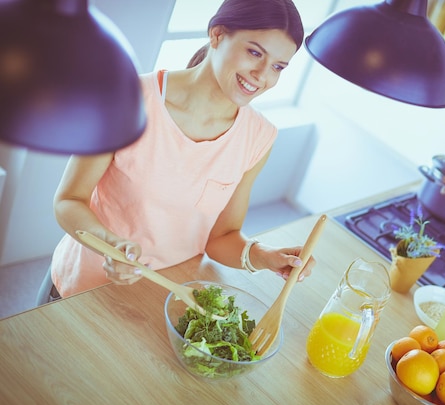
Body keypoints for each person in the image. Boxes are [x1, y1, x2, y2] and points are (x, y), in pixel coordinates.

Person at [49, 0, 314, 298]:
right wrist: (108, 244)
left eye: (278, 66)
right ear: (217, 35)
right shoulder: (126, 100)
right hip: (87, 287)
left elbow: (221, 238)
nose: (262, 75)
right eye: (254, 52)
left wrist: (265, 256)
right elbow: (68, 201)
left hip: (170, 295)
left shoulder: (259, 136)